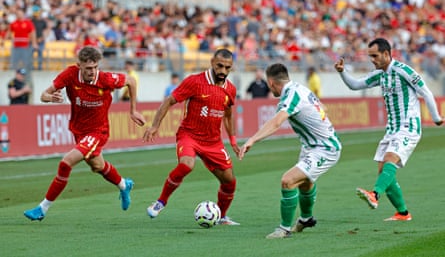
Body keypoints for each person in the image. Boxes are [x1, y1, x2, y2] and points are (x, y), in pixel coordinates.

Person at [24, 46, 146, 221]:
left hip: (98, 131)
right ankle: (123, 185)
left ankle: (42, 208)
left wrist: (133, 110)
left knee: (66, 163)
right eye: (88, 68)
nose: (92, 71)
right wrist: (50, 97)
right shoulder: (69, 75)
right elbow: (44, 95)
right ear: (79, 65)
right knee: (97, 166)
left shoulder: (105, 79)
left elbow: (131, 81)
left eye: (95, 67)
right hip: (79, 130)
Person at [334, 38, 443, 221]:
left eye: (375, 56)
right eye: (370, 56)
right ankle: (403, 213)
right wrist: (342, 71)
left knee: (390, 159)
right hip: (392, 129)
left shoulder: (404, 71)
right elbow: (355, 85)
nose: (372, 60)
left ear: (386, 54)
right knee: (383, 171)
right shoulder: (380, 75)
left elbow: (426, 92)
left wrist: (436, 118)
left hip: (409, 127)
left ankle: (374, 195)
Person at [238, 63, 341, 239]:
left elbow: (276, 122)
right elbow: (324, 108)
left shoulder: (290, 95)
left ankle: (284, 229)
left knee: (288, 180)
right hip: (312, 146)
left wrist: (252, 140)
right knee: (305, 183)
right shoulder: (300, 89)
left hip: (325, 148)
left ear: (270, 83)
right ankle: (306, 219)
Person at [143, 48, 241, 225]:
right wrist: (155, 125)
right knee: (187, 165)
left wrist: (233, 140)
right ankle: (161, 201)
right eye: (220, 66)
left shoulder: (230, 90)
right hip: (190, 135)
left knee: (229, 181)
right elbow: (168, 101)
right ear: (212, 62)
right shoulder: (195, 82)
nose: (223, 71)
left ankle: (222, 216)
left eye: (228, 68)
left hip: (213, 142)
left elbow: (228, 114)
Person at [3, 8, 37, 74]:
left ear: (23, 14)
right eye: (17, 14)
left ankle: (26, 75)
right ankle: (15, 75)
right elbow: (9, 32)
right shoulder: (14, 23)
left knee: (25, 62)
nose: (19, 15)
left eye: (20, 13)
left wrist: (34, 43)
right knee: (15, 62)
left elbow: (33, 33)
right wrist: (4, 40)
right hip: (16, 46)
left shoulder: (28, 23)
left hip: (25, 46)